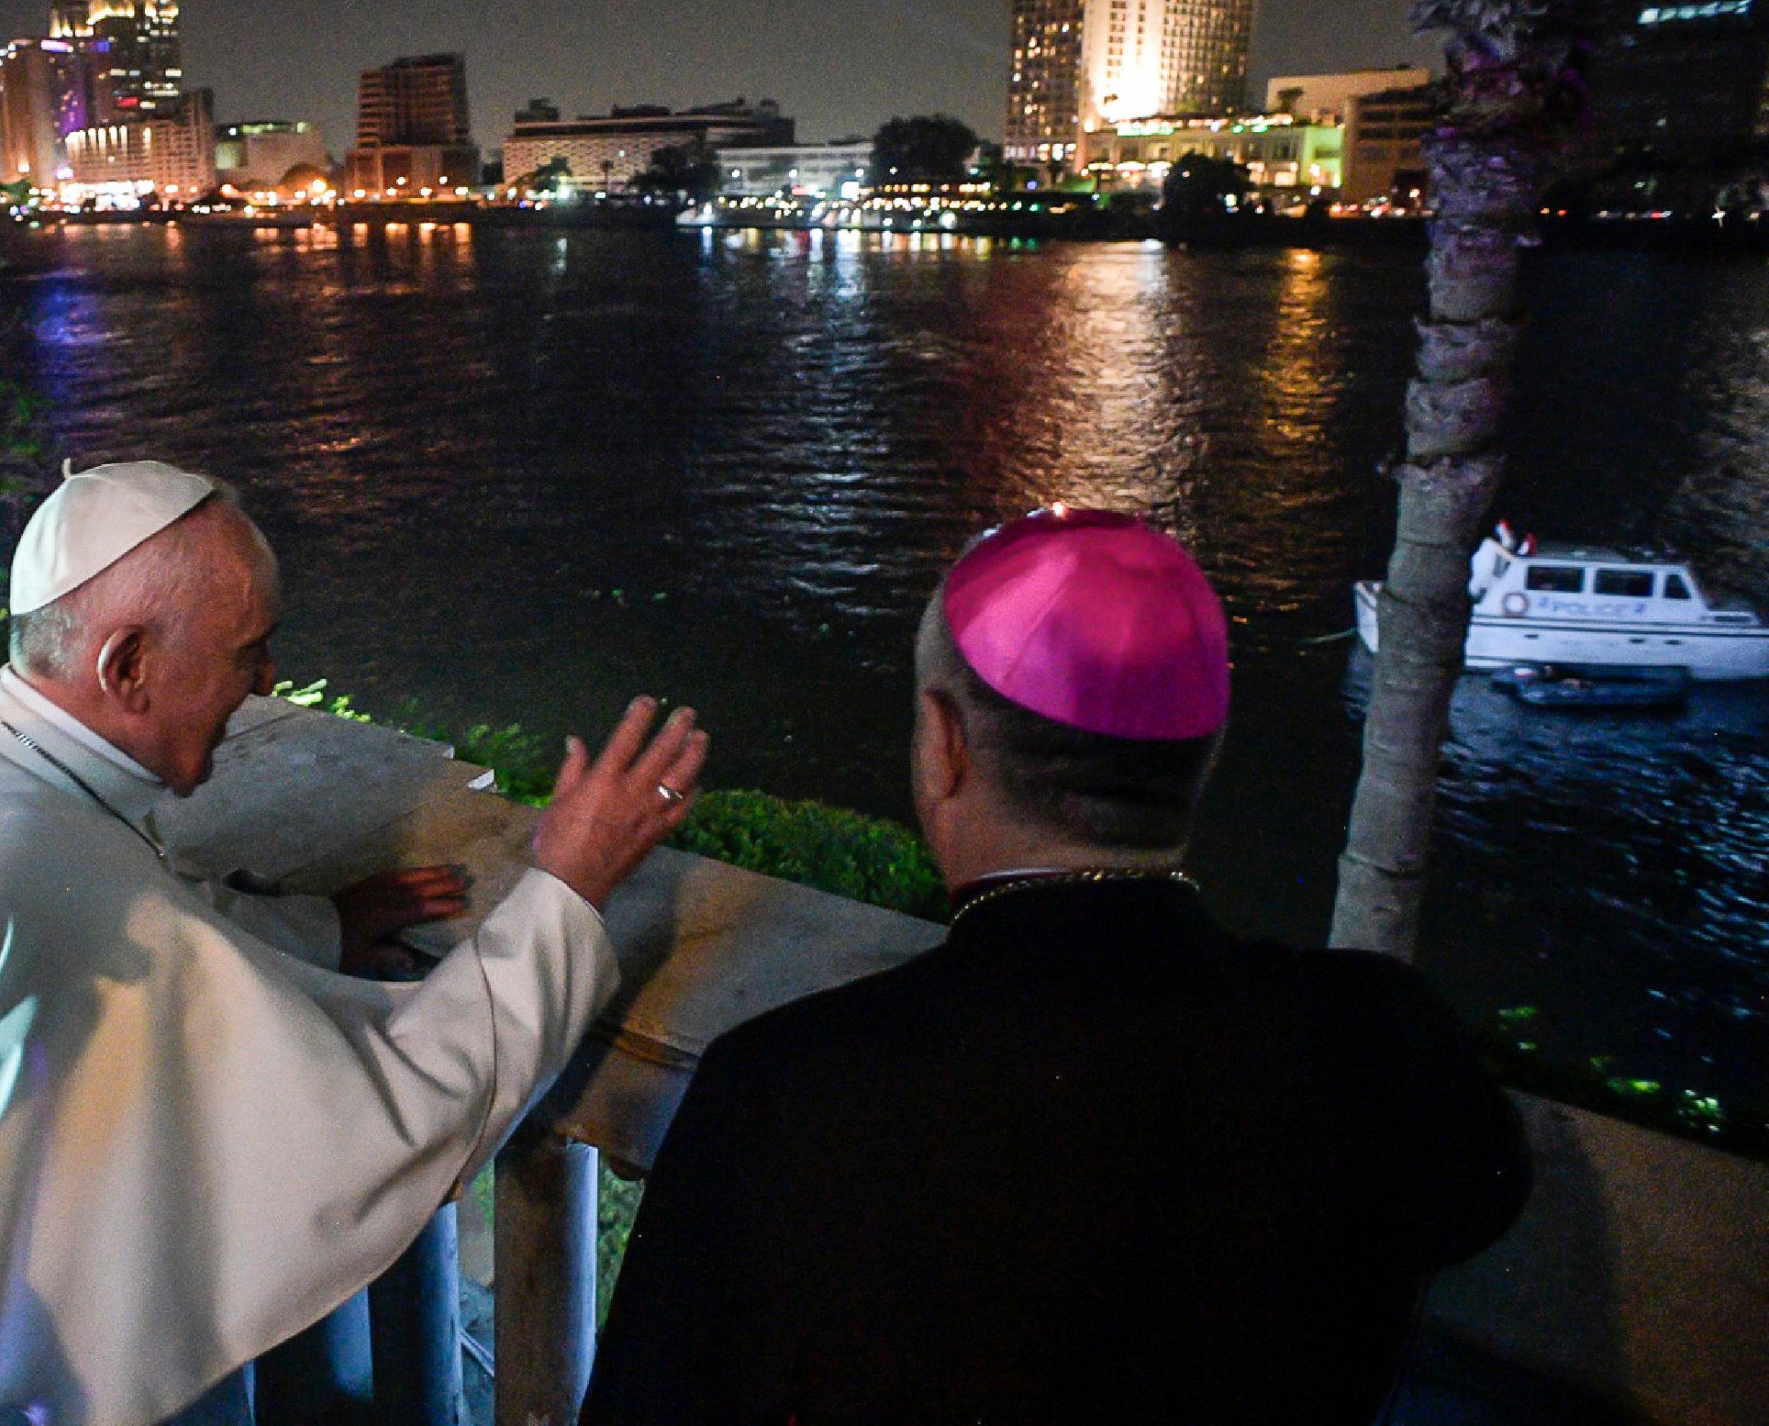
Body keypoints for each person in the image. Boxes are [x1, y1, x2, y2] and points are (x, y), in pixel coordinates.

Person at [0, 461, 706, 1426]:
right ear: (126, 665)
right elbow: (381, 1110)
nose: (268, 682)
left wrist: (317, 926)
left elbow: (145, 893)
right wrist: (566, 885)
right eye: (248, 651)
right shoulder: (92, 910)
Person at [584, 507, 1533, 1426]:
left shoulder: (786, 1088)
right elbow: (1479, 1199)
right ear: (1203, 756)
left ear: (944, 744)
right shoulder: (1379, 1038)